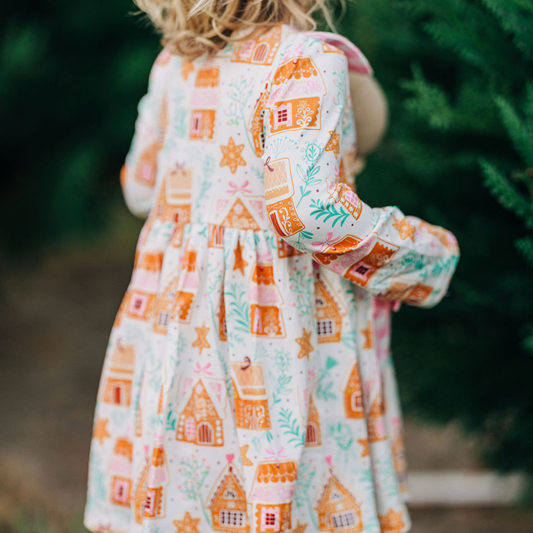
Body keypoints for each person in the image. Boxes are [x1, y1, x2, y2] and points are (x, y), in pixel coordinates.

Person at [84, 1, 459, 532]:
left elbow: (141, 187)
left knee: (197, 492)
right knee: (295, 485)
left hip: (180, 330)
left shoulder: (173, 64)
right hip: (278, 338)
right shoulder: (304, 61)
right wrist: (424, 256)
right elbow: (307, 213)